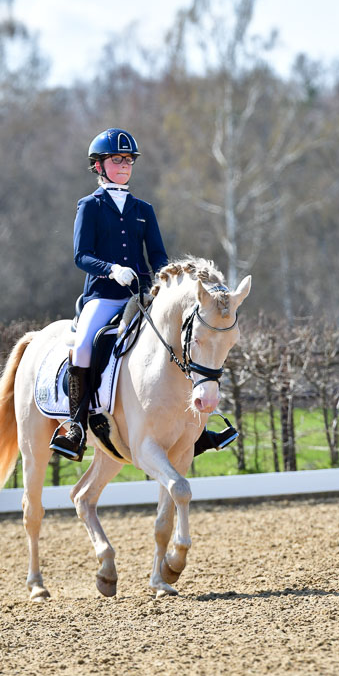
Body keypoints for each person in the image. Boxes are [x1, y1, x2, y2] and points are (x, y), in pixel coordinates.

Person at [50, 127, 237, 462]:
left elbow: (160, 257)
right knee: (81, 347)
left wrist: (167, 285)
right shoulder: (89, 207)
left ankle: (195, 429)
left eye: (128, 160)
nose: (124, 165)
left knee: (184, 341)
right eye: (116, 160)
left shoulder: (143, 209)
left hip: (145, 298)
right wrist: (111, 269)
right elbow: (81, 255)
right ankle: (76, 427)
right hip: (104, 296)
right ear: (99, 166)